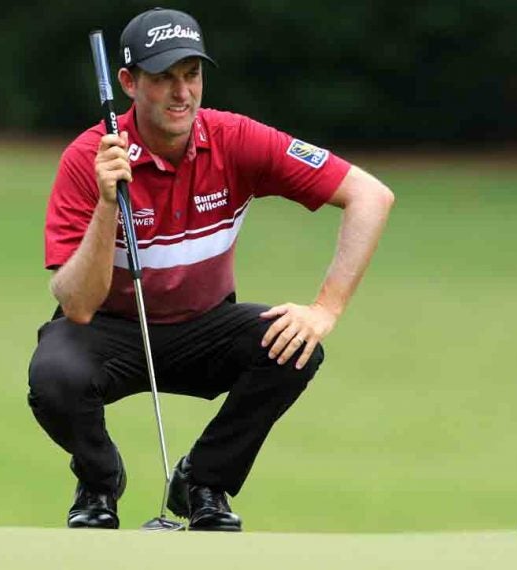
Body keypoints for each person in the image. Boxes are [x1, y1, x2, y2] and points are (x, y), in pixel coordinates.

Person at [27, 7, 394, 531]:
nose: (182, 93)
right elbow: (76, 304)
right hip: (109, 329)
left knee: (294, 345)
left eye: (191, 75)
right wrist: (109, 203)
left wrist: (325, 309)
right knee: (54, 376)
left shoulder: (235, 138)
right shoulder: (89, 157)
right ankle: (99, 482)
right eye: (163, 79)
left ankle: (203, 482)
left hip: (205, 327)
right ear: (128, 83)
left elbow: (370, 195)